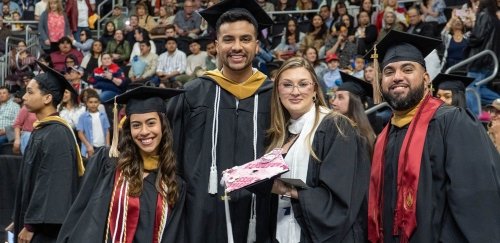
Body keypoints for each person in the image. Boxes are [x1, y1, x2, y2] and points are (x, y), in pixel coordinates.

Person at [365, 30, 500, 243]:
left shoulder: (453, 122)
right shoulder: (384, 136)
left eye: (407, 69)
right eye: (389, 71)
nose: (397, 76)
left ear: (426, 79)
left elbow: (477, 203)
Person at [166, 0, 274, 242]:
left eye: (245, 39)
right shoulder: (193, 93)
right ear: (215, 46)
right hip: (201, 213)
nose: (237, 47)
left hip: (259, 213)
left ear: (257, 46)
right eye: (228, 39)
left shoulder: (274, 96)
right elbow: (169, 153)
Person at [260, 57, 370, 242]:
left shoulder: (336, 127)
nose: (295, 92)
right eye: (287, 85)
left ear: (315, 90)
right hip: (283, 231)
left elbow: (342, 198)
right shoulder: (279, 133)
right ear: (277, 91)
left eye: (303, 84)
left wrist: (286, 190)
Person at [57, 86, 186, 242]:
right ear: (129, 130)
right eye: (136, 125)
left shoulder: (173, 182)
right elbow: (81, 210)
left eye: (151, 123)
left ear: (163, 126)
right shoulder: (108, 163)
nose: (144, 131)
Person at [11, 62, 84, 243]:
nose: (24, 97)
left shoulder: (57, 134)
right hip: (33, 223)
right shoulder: (43, 130)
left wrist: (31, 225)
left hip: (45, 230)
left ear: (47, 98)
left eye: (30, 91)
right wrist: (19, 218)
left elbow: (52, 184)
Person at [332, 71, 376, 150]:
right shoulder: (332, 127)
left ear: (354, 102)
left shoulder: (359, 137)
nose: (334, 103)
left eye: (340, 97)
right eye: (335, 97)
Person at [76, 91, 110, 158]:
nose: (93, 104)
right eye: (90, 102)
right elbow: (80, 133)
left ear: (99, 103)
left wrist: (108, 145)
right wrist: (88, 146)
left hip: (102, 146)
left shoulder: (103, 115)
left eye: (95, 102)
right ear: (86, 103)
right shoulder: (83, 116)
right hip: (91, 147)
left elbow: (107, 131)